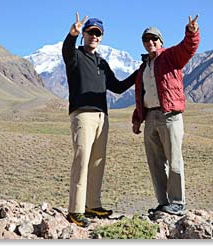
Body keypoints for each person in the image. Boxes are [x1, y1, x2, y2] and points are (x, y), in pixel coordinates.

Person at [62, 12, 137, 227]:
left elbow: (118, 86)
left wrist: (138, 73)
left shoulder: (102, 63)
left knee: (97, 161)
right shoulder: (75, 56)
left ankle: (92, 204)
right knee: (82, 159)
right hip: (82, 114)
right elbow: (66, 50)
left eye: (98, 34)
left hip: (102, 116)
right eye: (90, 32)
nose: (94, 36)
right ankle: (75, 210)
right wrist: (72, 35)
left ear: (101, 37)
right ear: (84, 34)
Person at [132, 15, 200, 216]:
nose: (150, 42)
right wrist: (137, 120)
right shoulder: (143, 67)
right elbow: (141, 95)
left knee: (174, 159)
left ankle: (178, 202)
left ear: (161, 41)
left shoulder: (171, 56)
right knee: (155, 162)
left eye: (154, 39)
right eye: (146, 39)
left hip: (170, 115)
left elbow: (189, 47)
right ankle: (163, 202)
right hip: (150, 117)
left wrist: (192, 31)